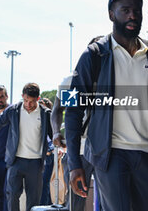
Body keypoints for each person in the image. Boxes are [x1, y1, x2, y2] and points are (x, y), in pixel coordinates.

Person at [65, 0, 148, 211]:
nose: (132, 15)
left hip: (147, 155)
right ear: (111, 14)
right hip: (110, 154)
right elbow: (72, 110)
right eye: (125, 10)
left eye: (137, 10)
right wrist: (74, 164)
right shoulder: (93, 55)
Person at [52, 36, 104, 211]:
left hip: (106, 150)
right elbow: (58, 110)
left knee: (109, 201)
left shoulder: (111, 82)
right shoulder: (72, 82)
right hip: (79, 150)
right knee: (76, 202)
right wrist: (56, 132)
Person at [0, 83, 53, 211]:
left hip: (35, 163)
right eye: (26, 100)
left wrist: (53, 147)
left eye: (32, 101)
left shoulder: (45, 114)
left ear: (38, 98)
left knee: (33, 201)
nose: (28, 104)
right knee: (12, 195)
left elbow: (51, 135)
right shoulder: (13, 110)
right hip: (16, 161)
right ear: (22, 96)